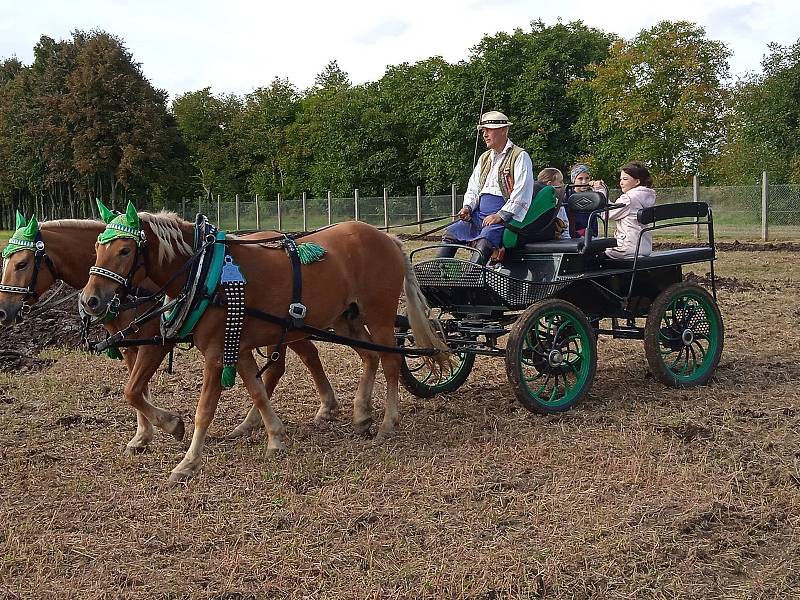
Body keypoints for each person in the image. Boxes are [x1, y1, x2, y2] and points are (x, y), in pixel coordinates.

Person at [438, 110, 534, 264]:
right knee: (452, 232)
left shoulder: (520, 156)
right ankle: (438, 273)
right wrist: (468, 207)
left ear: (503, 130)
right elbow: (474, 188)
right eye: (483, 130)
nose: (484, 134)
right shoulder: (484, 158)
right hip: (479, 216)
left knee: (486, 238)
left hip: (505, 219)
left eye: (489, 130)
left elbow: (521, 193)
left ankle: (472, 278)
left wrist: (499, 216)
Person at [605, 161, 657, 259]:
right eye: (620, 179)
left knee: (595, 252)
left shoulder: (628, 199)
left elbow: (606, 214)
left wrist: (600, 191)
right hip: (644, 246)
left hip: (627, 248)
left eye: (625, 179)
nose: (621, 183)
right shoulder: (647, 196)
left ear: (637, 182)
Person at [567, 164, 607, 238]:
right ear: (573, 180)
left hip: (590, 233)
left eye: (587, 178)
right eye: (580, 178)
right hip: (571, 235)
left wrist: (599, 188)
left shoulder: (593, 196)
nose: (584, 182)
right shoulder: (567, 197)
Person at [536, 168, 569, 239]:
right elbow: (564, 228)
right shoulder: (557, 204)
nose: (563, 185)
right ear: (550, 185)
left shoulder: (532, 201)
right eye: (560, 182)